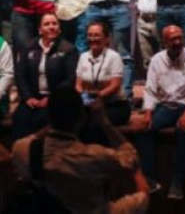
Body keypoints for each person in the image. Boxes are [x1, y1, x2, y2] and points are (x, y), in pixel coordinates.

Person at [11, 88, 149, 214]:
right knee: (143, 194)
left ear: (48, 115)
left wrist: (54, 120)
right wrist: (104, 122)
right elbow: (131, 158)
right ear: (81, 117)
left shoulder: (23, 148)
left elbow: (35, 137)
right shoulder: (92, 156)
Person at [136, 24, 185, 199]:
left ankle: (177, 184)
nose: (177, 42)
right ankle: (150, 179)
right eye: (173, 39)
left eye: (179, 38)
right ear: (164, 42)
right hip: (167, 106)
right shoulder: (156, 60)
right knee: (144, 130)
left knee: (182, 130)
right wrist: (147, 114)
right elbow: (151, 90)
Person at [12, 13, 79, 140]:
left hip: (55, 100)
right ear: (39, 29)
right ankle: (20, 156)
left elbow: (70, 79)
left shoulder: (69, 49)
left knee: (41, 120)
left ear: (59, 28)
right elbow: (20, 75)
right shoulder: (28, 47)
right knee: (19, 118)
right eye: (47, 24)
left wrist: (51, 98)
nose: (51, 27)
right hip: (32, 99)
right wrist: (28, 97)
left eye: (54, 23)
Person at [75, 20, 131, 128]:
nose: (92, 39)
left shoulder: (114, 57)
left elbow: (115, 85)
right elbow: (78, 85)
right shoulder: (83, 57)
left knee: (95, 123)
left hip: (114, 105)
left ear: (106, 39)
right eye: (90, 35)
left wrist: (97, 96)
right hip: (89, 103)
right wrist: (86, 98)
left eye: (96, 35)